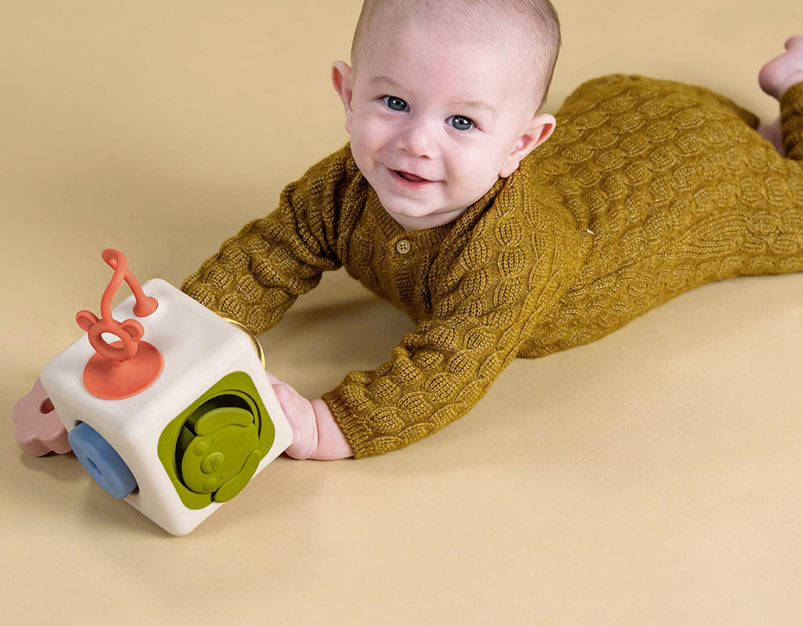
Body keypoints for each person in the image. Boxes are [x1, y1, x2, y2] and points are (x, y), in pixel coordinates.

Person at [180, 0, 803, 461]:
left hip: (690, 176)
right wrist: (179, 332)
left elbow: (446, 368)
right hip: (622, 110)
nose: (417, 143)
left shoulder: (509, 257)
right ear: (348, 94)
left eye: (461, 121)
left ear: (522, 144)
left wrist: (326, 425)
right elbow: (272, 251)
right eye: (394, 103)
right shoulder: (344, 183)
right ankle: (761, 139)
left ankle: (795, 82)